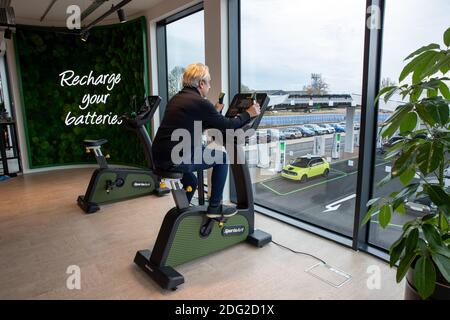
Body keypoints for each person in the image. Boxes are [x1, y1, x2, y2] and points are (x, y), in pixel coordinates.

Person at [152, 63, 260, 218]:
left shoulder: (178, 98)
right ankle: (215, 208)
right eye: (209, 82)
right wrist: (249, 113)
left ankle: (182, 215)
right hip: (176, 158)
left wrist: (214, 113)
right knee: (222, 158)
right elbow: (229, 125)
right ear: (201, 83)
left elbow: (193, 125)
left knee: (191, 182)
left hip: (160, 156)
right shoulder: (199, 102)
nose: (210, 87)